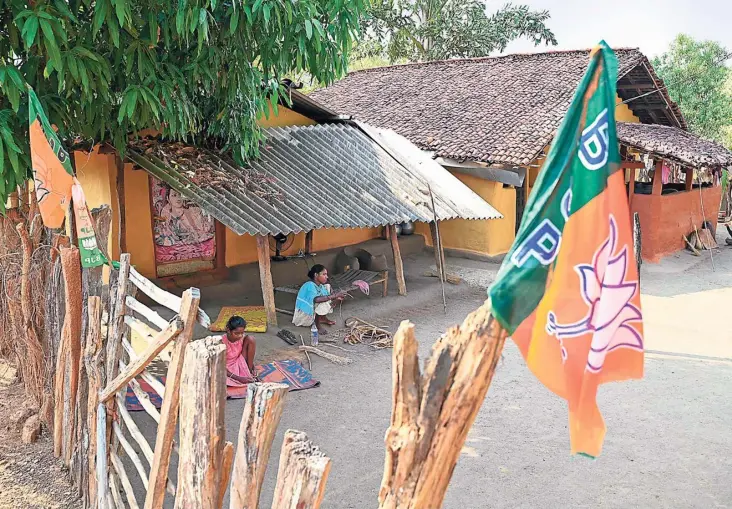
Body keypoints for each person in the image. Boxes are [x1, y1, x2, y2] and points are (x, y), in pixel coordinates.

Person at [292, 264, 345, 333]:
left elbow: (329, 298)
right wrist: (334, 296)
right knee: (322, 302)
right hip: (304, 315)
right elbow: (316, 300)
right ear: (316, 275)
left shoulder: (321, 286)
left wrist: (337, 298)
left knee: (328, 288)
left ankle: (322, 318)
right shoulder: (309, 285)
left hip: (312, 311)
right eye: (324, 274)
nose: (327, 277)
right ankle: (317, 326)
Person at [221, 315, 258, 388]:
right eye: (236, 333)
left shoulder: (241, 338)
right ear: (228, 330)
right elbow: (219, 366)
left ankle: (249, 372)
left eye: (242, 333)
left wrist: (253, 367)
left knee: (251, 339)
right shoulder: (221, 342)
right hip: (226, 369)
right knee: (218, 379)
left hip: (238, 362)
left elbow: (246, 353)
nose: (240, 336)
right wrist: (239, 378)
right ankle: (245, 376)